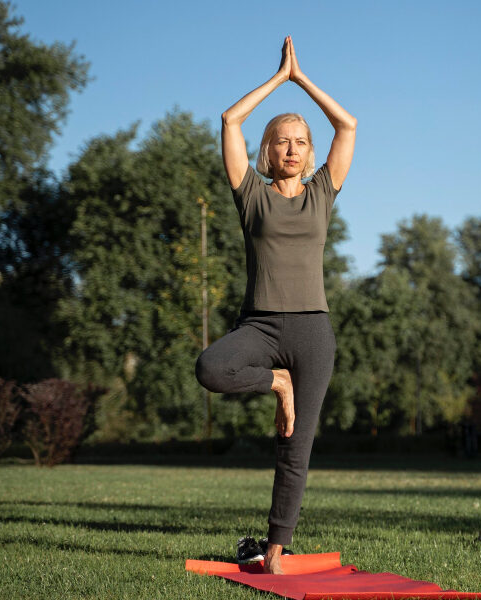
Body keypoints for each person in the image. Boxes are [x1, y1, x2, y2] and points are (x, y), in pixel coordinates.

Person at [194, 36, 356, 574]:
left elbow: (348, 126)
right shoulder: (251, 193)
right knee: (211, 367)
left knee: (296, 444)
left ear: (310, 153)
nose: (291, 149)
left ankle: (277, 553)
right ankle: (276, 383)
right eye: (282, 141)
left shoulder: (322, 191)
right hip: (260, 327)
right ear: (268, 150)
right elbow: (228, 120)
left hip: (313, 332)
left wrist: (303, 79)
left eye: (300, 142)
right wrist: (277, 79)